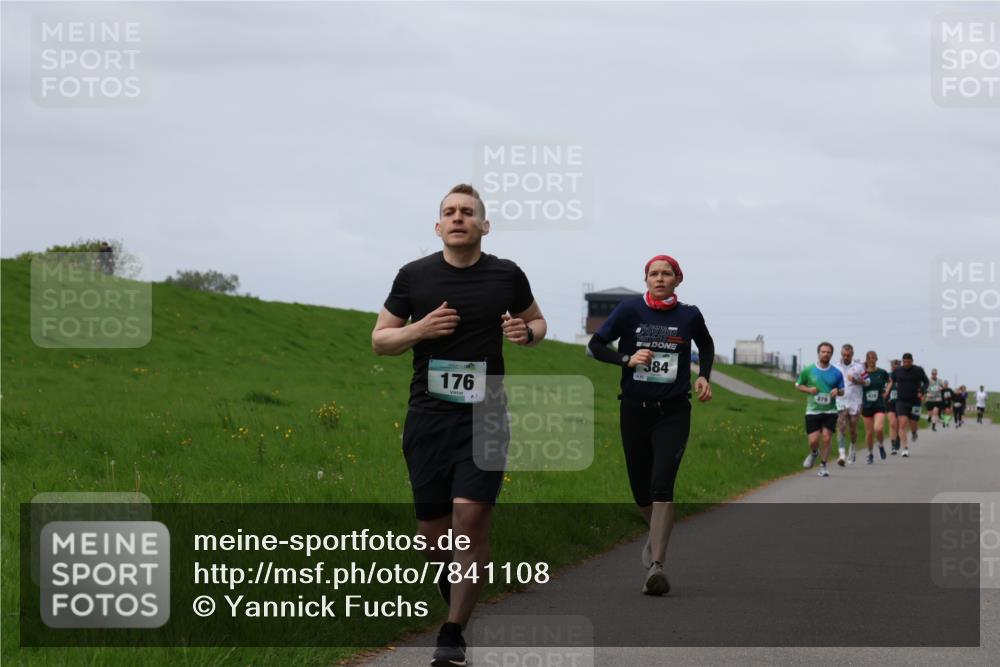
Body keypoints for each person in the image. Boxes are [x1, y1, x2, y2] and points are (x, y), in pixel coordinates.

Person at [372, 184, 546, 667]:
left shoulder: (507, 275)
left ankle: (452, 633)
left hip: (485, 415)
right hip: (428, 419)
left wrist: (525, 333)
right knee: (433, 537)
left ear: (484, 225)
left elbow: (537, 322)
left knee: (469, 520)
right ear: (437, 226)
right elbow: (380, 340)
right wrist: (419, 330)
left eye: (468, 212)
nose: (458, 218)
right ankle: (461, 593)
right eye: (449, 212)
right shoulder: (414, 276)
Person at [588, 254, 714, 596]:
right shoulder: (630, 311)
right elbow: (595, 345)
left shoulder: (689, 315)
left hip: (673, 412)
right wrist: (627, 359)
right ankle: (654, 533)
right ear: (646, 280)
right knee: (640, 490)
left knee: (662, 485)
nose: (660, 279)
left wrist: (703, 376)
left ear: (677, 279)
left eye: (666, 274)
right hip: (633, 410)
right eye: (653, 274)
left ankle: (657, 566)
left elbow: (706, 344)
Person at [796, 342, 845, 478]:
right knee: (813, 441)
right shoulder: (809, 369)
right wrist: (809, 389)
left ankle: (823, 466)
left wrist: (838, 391)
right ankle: (814, 453)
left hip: (830, 411)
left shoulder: (837, 373)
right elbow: (798, 385)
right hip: (813, 411)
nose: (825, 354)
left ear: (831, 354)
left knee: (827, 438)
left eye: (828, 352)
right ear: (818, 353)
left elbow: (842, 390)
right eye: (823, 352)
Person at [885, 353, 929, 458]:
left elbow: (926, 382)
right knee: (902, 423)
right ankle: (905, 448)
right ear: (902, 361)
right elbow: (891, 382)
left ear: (912, 361)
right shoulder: (897, 371)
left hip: (915, 401)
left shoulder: (918, 370)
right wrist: (886, 393)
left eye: (908, 362)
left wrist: (922, 391)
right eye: (904, 362)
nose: (906, 364)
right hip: (901, 401)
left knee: (913, 423)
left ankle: (914, 432)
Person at [834, 343, 866, 465]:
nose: (846, 357)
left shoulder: (859, 367)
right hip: (840, 401)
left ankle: (852, 447)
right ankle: (841, 455)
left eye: (848, 355)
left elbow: (867, 381)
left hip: (855, 402)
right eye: (844, 355)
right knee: (841, 428)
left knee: (852, 428)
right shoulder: (835, 366)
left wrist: (856, 380)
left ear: (852, 354)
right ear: (841, 354)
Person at [860, 351, 890, 464]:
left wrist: (886, 391)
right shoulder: (863, 374)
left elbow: (890, 381)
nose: (871, 360)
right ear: (866, 360)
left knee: (878, 428)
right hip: (867, 405)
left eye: (873, 358)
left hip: (879, 405)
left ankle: (881, 445)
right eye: (869, 358)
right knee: (869, 433)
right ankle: (870, 453)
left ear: (876, 359)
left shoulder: (881, 372)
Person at [886, 359, 901, 454]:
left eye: (897, 366)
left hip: (901, 403)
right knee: (892, 423)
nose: (895, 367)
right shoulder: (887, 375)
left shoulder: (903, 376)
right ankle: (893, 446)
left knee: (899, 424)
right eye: (893, 366)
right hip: (890, 402)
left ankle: (898, 436)